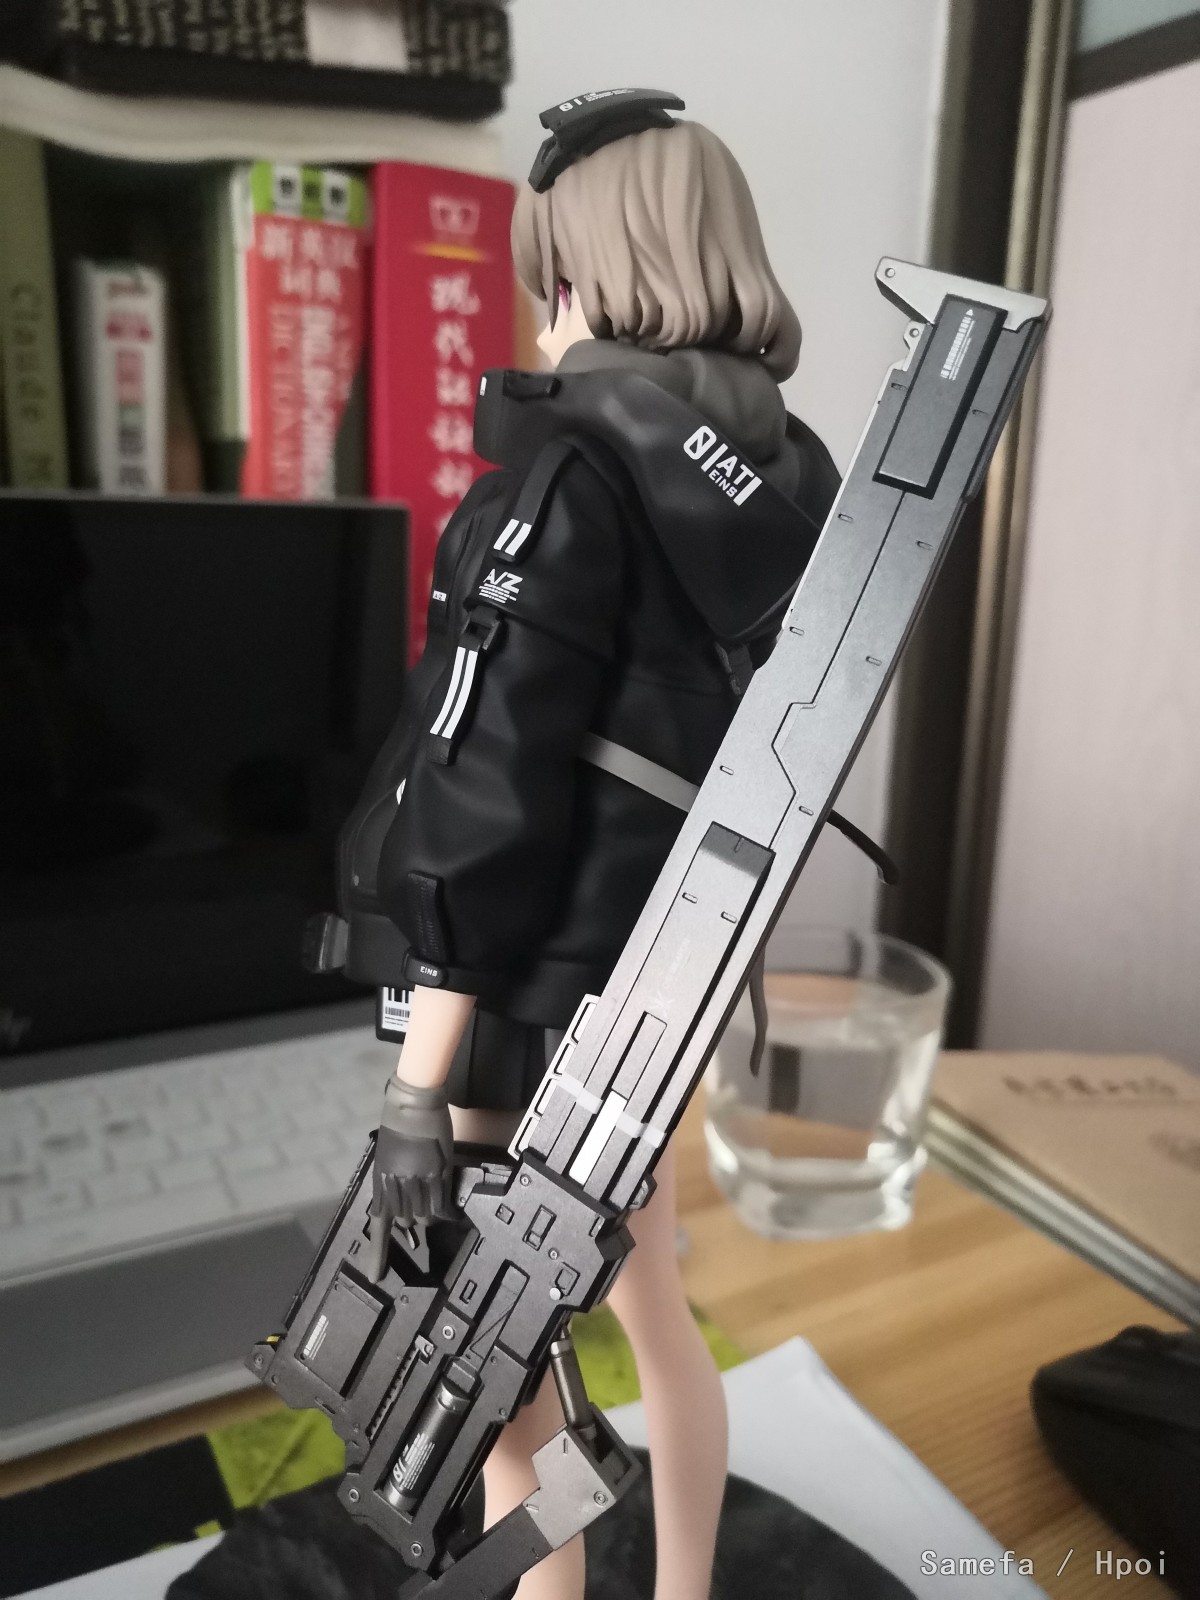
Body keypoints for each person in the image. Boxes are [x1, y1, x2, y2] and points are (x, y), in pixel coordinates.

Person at [351, 90, 839, 1600]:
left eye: (552, 265)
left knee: (498, 1384)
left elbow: (484, 786)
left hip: (516, 1003)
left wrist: (418, 1089)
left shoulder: (565, 476)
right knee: (655, 1315)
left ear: (586, 270)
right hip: (659, 991)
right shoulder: (802, 480)